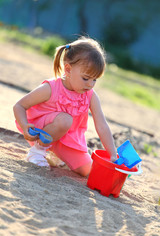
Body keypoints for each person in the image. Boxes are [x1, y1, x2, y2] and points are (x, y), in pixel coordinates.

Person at [13, 36, 117, 177]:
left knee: (88, 171)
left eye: (95, 79)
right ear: (68, 69)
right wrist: (24, 125)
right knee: (65, 120)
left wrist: (112, 154)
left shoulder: (90, 95)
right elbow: (19, 106)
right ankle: (37, 152)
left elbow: (102, 125)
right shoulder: (50, 88)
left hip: (67, 139)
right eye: (86, 78)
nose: (90, 84)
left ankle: (56, 155)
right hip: (43, 130)